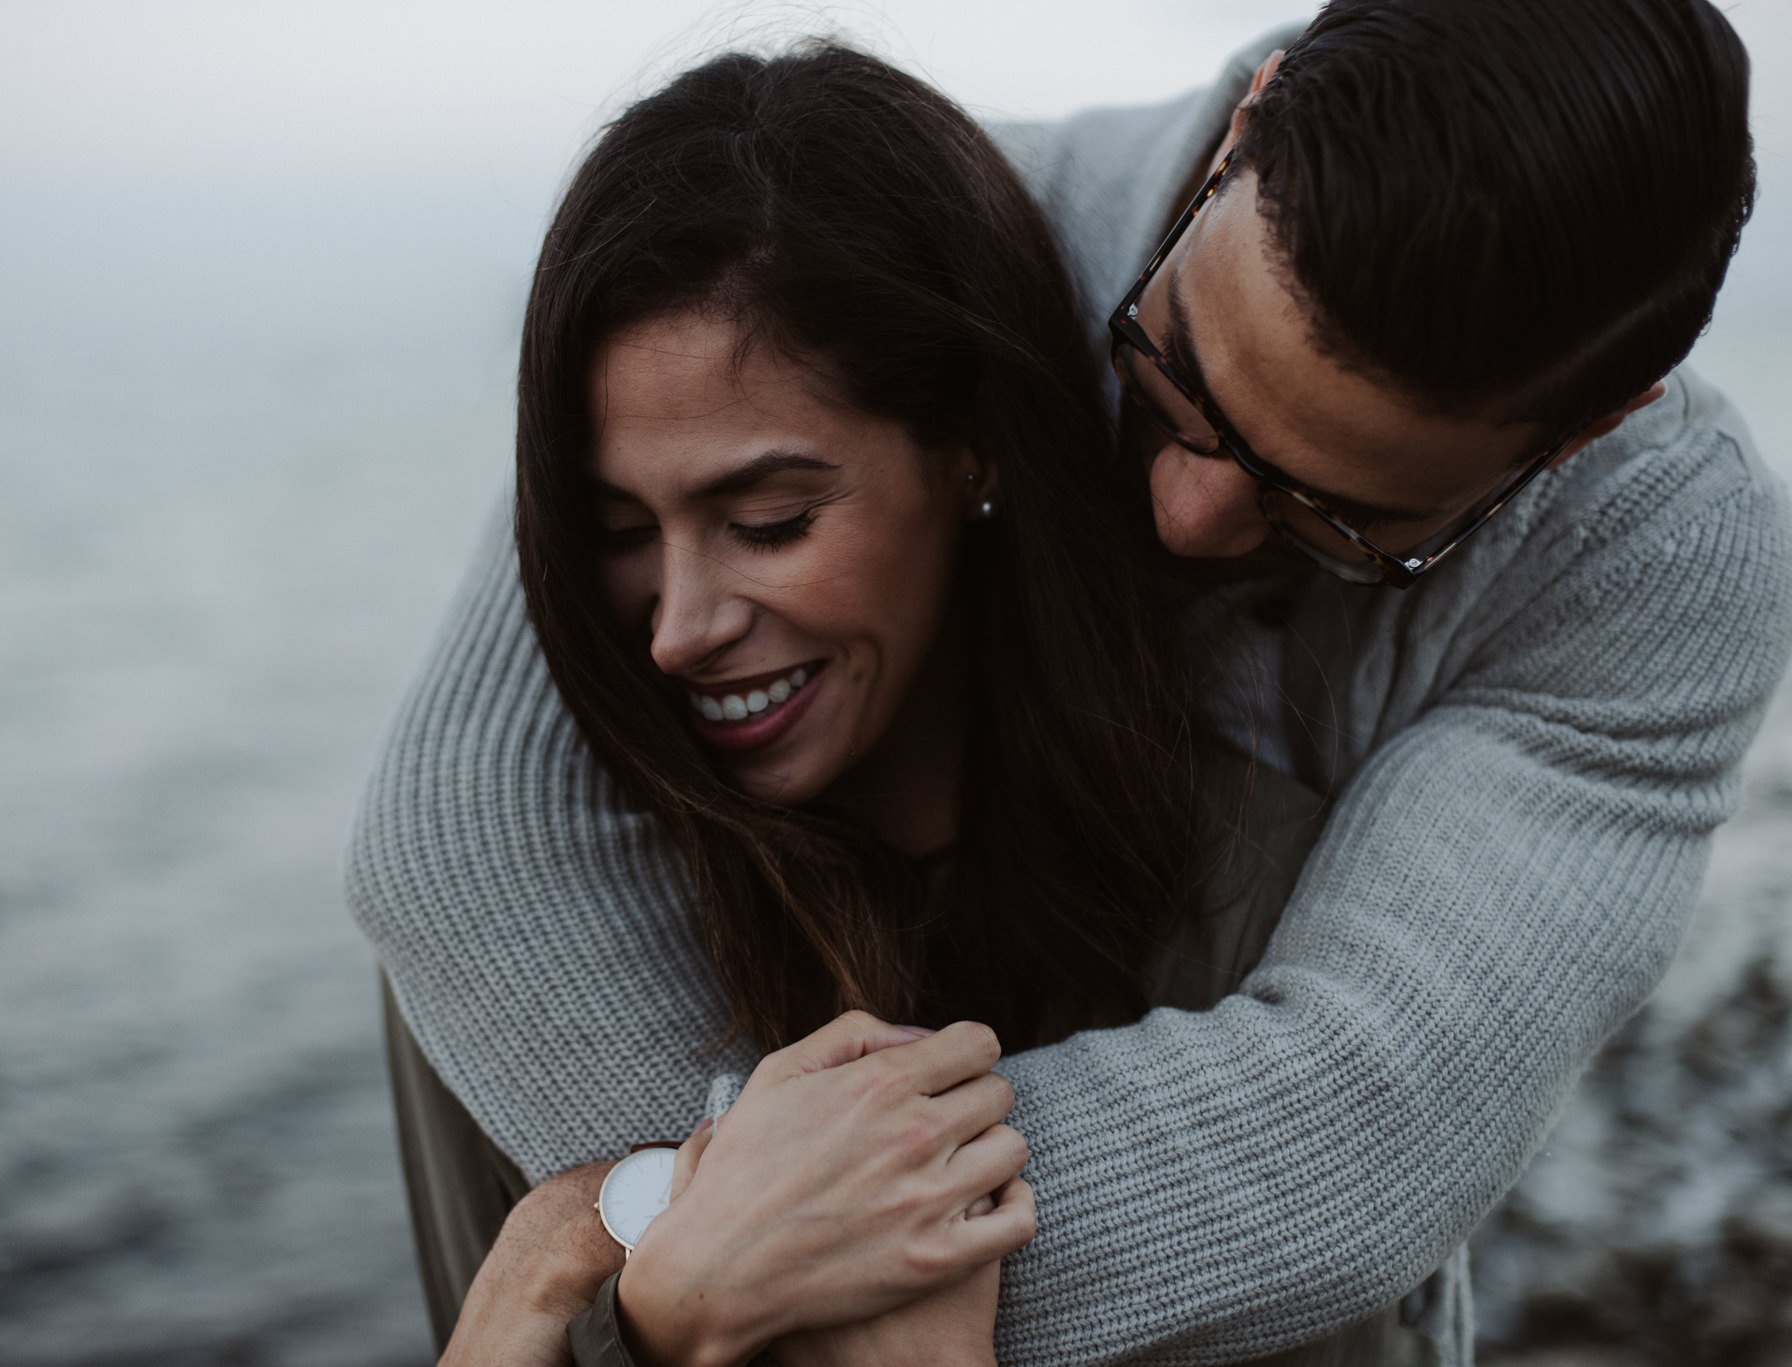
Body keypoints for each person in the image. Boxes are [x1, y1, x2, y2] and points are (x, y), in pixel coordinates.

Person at [350, 0, 1792, 1362]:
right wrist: (690, 1229)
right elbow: (465, 844)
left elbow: (1358, 1121)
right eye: (1172, 380)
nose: (1182, 517)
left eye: (1335, 517)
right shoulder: (944, 238)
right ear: (1248, 127)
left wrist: (664, 1251)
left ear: (1586, 433)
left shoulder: (1659, 557)